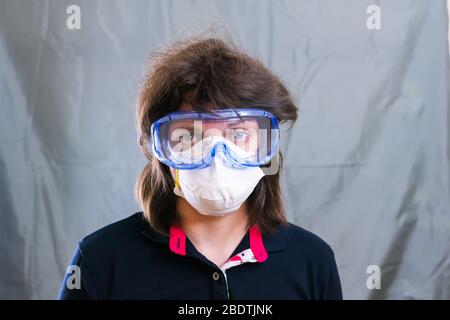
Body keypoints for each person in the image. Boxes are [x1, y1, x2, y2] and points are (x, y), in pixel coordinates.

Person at [58, 36, 343, 300]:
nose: (216, 156)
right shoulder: (101, 261)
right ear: (158, 150)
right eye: (188, 137)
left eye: (238, 135)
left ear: (266, 149)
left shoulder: (312, 262)